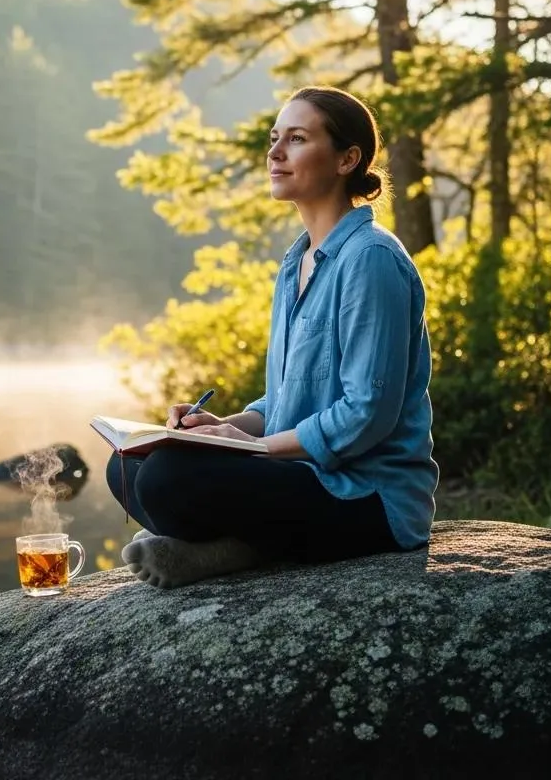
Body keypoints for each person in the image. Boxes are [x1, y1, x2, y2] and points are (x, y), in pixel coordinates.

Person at [107, 86, 440, 589]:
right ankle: (239, 546)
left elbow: (367, 413)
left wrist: (255, 449)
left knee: (166, 479)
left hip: (368, 497)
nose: (275, 153)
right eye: (273, 138)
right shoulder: (295, 263)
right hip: (301, 477)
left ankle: (235, 549)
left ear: (347, 159)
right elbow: (283, 400)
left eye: (297, 139)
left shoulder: (371, 259)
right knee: (130, 465)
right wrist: (218, 428)